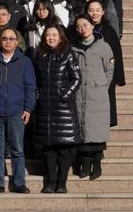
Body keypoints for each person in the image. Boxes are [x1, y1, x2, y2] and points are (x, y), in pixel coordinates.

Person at [0, 28, 36, 194]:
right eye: (4, 38)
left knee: (17, 149)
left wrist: (28, 108)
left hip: (16, 111)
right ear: (0, 41)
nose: (8, 41)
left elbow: (30, 87)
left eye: (11, 39)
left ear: (17, 42)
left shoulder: (24, 62)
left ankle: (19, 182)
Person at [33, 24, 82, 194]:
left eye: (54, 35)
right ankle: (50, 181)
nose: (51, 38)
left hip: (63, 108)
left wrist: (64, 95)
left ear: (60, 37)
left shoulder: (68, 54)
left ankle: (62, 182)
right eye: (48, 35)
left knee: (64, 148)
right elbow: (35, 80)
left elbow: (76, 78)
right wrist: (37, 95)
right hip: (45, 108)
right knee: (48, 148)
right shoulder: (40, 55)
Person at [73, 14, 115, 181]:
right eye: (79, 26)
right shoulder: (73, 47)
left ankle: (97, 162)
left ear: (92, 26)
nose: (82, 29)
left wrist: (101, 85)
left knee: (97, 129)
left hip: (97, 94)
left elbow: (109, 70)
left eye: (85, 25)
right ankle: (85, 162)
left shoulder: (103, 47)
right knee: (82, 127)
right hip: (79, 94)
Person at [86, 0, 125, 127]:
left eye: (98, 10)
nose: (94, 13)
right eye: (91, 10)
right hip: (88, 75)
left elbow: (117, 54)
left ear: (103, 12)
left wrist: (118, 77)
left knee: (106, 108)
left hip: (105, 75)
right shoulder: (82, 29)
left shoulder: (109, 30)